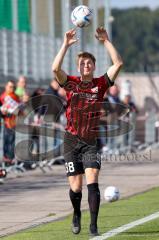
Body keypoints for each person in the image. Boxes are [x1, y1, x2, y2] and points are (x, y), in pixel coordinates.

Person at [52, 27, 123, 237]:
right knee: (76, 186)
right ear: (78, 67)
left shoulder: (100, 84)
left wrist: (106, 41)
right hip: (71, 140)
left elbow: (118, 64)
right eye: (82, 63)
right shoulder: (71, 83)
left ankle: (93, 226)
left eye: (89, 63)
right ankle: (76, 214)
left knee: (93, 181)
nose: (86, 65)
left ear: (93, 66)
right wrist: (65, 44)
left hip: (91, 141)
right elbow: (55, 68)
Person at [0, 80, 20, 164]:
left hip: (14, 122)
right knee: (7, 142)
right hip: (7, 122)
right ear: (6, 87)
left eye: (13, 87)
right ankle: (7, 160)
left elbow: (19, 110)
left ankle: (10, 160)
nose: (11, 88)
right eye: (10, 86)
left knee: (11, 142)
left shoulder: (15, 96)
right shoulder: (3, 96)